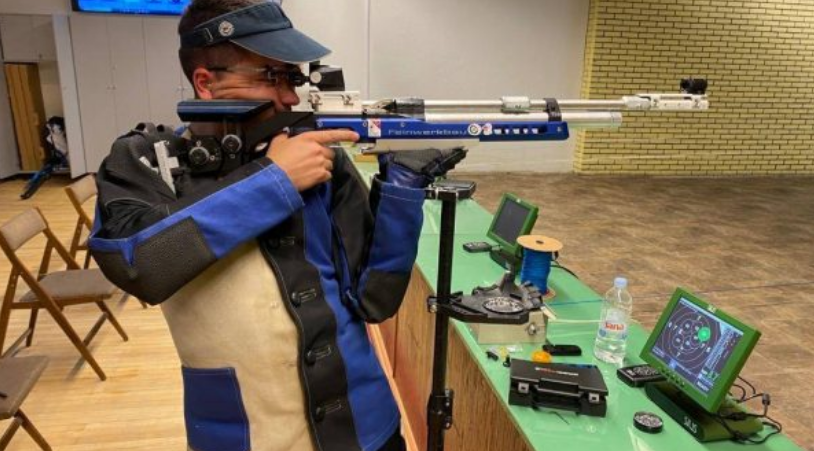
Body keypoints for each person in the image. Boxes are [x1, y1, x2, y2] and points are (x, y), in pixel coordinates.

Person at [88, 1, 466, 450]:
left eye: (293, 79)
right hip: (245, 435)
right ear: (206, 82)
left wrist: (402, 188)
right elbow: (138, 265)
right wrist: (276, 180)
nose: (290, 98)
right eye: (273, 76)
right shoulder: (148, 160)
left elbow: (374, 300)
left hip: (365, 429)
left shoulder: (319, 160)